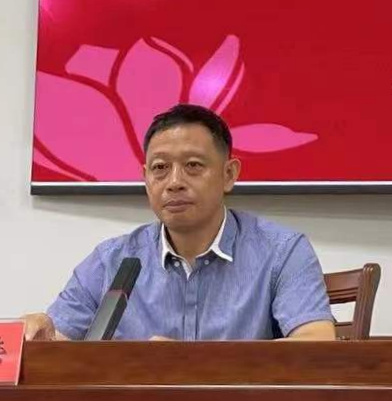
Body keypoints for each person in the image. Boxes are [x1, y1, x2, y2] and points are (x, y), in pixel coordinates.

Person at [21, 104, 336, 341]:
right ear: (145, 178)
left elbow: (316, 343)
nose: (174, 182)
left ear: (229, 174)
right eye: (160, 168)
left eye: (193, 165)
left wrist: (191, 364)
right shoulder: (111, 261)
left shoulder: (280, 252)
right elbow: (59, 344)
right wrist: (41, 338)